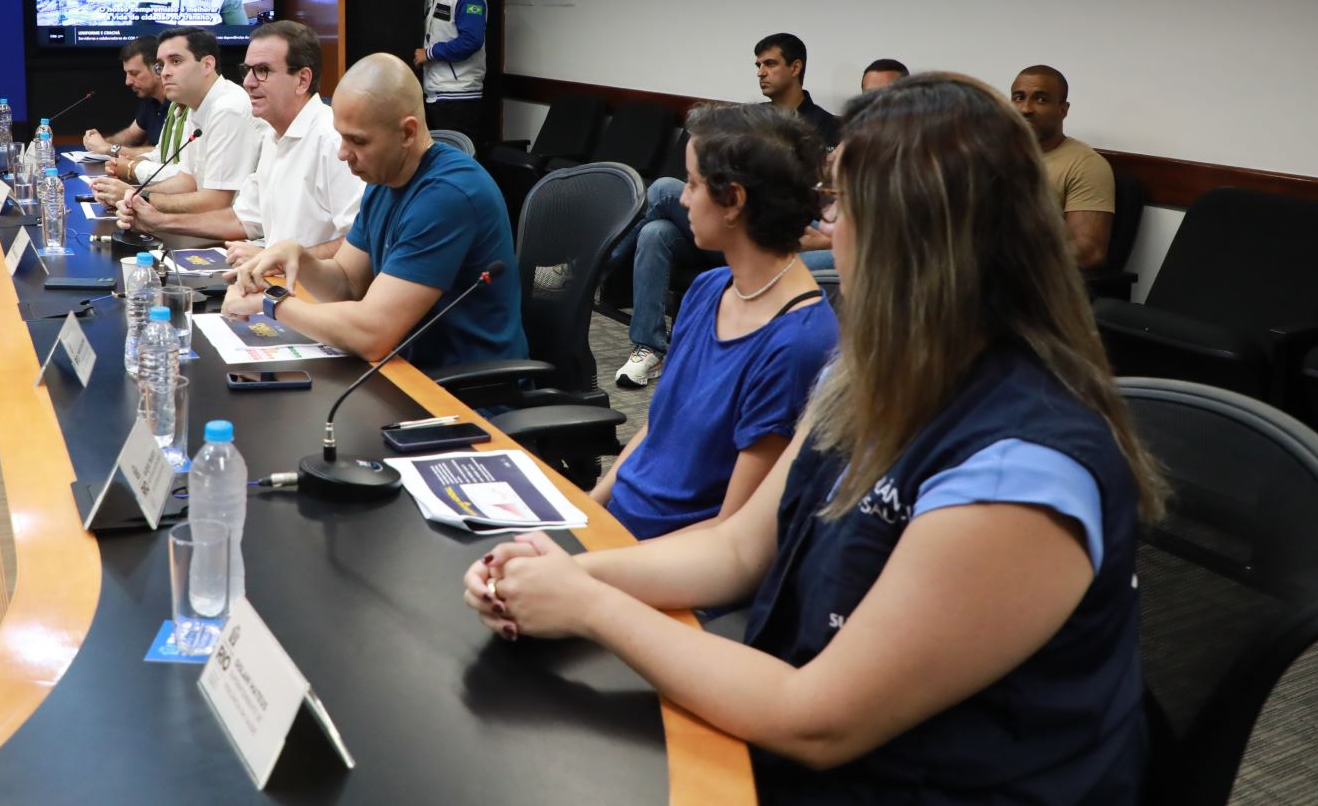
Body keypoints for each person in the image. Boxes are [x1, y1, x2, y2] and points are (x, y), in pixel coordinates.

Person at [464, 73, 1167, 804]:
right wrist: (569, 572)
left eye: (840, 205)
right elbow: (738, 550)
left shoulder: (1024, 468)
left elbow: (818, 721)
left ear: (910, 235)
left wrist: (588, 607)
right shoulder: (869, 375)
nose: (828, 228)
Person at [593, 104, 837, 539]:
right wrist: (587, 511)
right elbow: (656, 429)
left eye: (692, 183)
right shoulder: (708, 289)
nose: (683, 197)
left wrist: (597, 565)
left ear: (734, 201)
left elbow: (730, 533)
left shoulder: (799, 343)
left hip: (671, 563)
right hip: (618, 533)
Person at [224, 53, 523, 374]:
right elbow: (347, 283)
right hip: (399, 369)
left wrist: (273, 302)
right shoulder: (385, 176)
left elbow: (372, 334)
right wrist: (298, 256)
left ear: (407, 133)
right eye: (341, 136)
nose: (342, 153)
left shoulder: (448, 195)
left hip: (463, 391)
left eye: (358, 141)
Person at [113, 21, 363, 260]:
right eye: (247, 71)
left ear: (302, 80)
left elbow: (361, 243)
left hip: (313, 294)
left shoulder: (332, 140)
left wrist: (276, 259)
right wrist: (158, 220)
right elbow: (242, 219)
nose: (248, 82)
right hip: (276, 281)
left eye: (263, 71)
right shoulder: (274, 138)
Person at [93, 27, 263, 218]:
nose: (164, 73)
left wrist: (135, 197)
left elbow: (217, 202)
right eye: (160, 65)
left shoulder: (228, 108)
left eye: (175, 61)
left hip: (234, 231)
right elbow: (187, 180)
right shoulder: (195, 104)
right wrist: (136, 196)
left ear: (207, 65)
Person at [801, 58, 908, 271]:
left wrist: (826, 240)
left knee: (775, 268)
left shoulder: (910, 148)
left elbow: (895, 232)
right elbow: (826, 187)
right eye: (867, 95)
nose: (872, 104)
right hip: (839, 225)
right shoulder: (861, 135)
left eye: (882, 95)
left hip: (869, 247)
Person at [1011, 64, 1115, 268]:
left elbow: (1088, 251)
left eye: (1041, 99)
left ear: (1063, 109)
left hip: (1028, 279)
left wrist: (1006, 257)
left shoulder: (1085, 165)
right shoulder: (989, 154)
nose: (1026, 109)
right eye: (1019, 98)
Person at [413, 0, 488, 143]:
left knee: (459, 159)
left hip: (460, 96)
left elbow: (471, 41)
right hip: (436, 91)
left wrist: (429, 53)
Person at [81, 35, 169, 159]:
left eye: (134, 73)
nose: (127, 82)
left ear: (158, 69)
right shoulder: (151, 100)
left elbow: (165, 154)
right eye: (127, 73)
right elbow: (132, 135)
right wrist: (103, 142)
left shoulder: (180, 102)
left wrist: (108, 149)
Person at [755, 33, 840, 146]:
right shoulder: (752, 117)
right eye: (758, 65)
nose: (760, 73)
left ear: (795, 68)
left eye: (770, 64)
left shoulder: (826, 125)